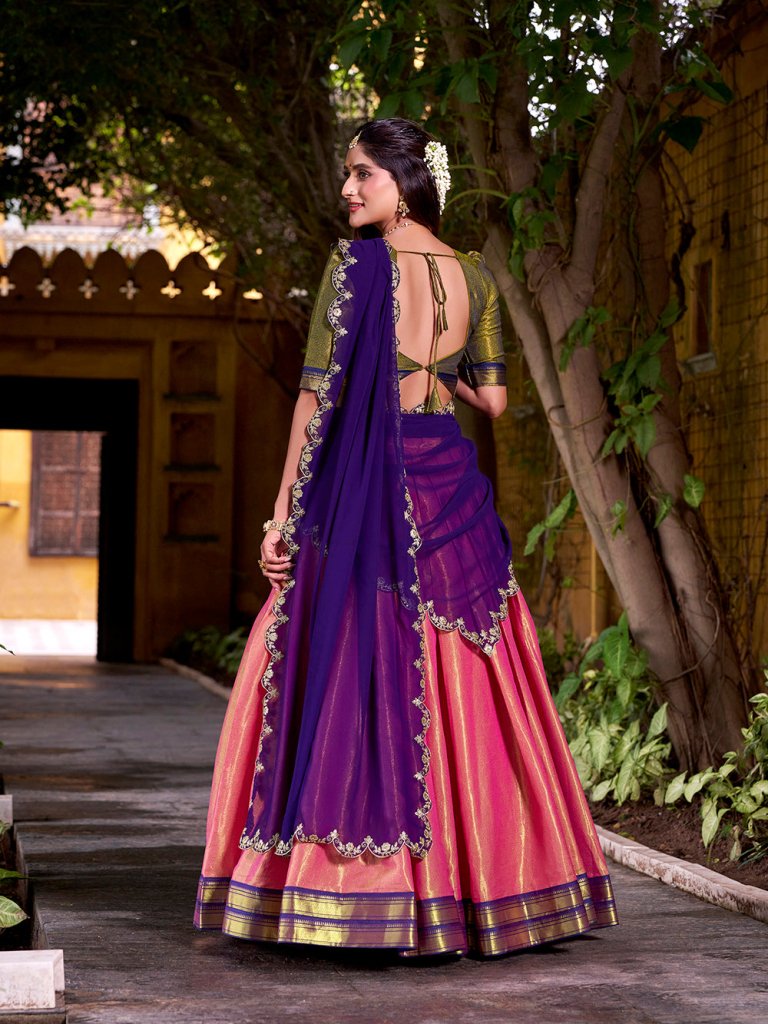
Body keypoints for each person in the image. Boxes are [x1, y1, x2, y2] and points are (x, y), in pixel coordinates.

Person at [194, 118, 617, 957]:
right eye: (349, 174)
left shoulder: (355, 267)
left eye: (362, 174)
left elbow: (316, 398)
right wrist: (432, 375)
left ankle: (339, 891)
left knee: (333, 658)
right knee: (466, 674)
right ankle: (484, 889)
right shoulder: (475, 276)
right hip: (446, 481)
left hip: (365, 487)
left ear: (405, 179)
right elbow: (494, 400)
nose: (347, 189)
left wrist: (281, 517)